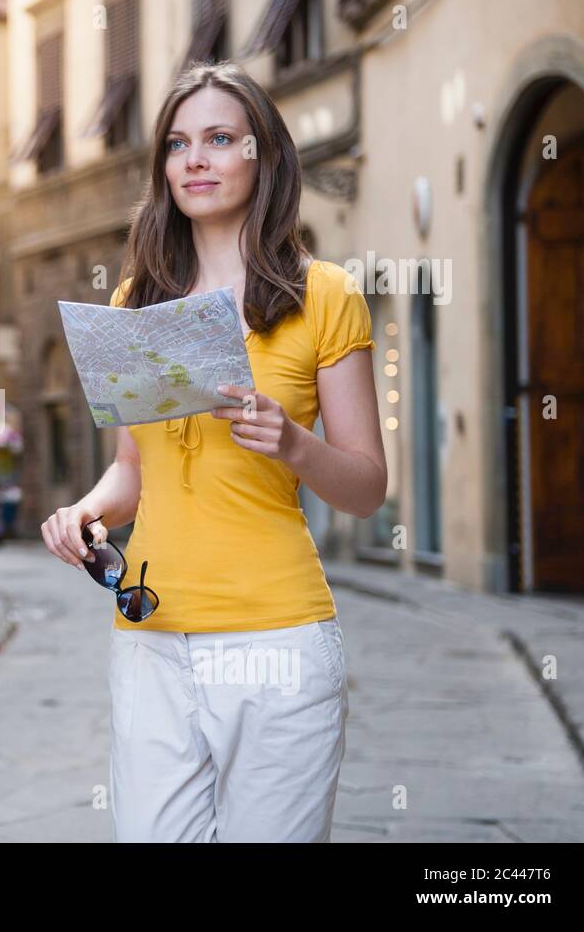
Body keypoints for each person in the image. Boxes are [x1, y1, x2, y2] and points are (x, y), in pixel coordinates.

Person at [40, 60, 387, 842]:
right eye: (177, 143)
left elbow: (366, 486)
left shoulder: (323, 294)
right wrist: (85, 514)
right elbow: (132, 469)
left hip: (279, 640)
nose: (194, 159)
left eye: (220, 139)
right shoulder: (138, 301)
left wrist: (294, 443)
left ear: (262, 154)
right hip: (151, 639)